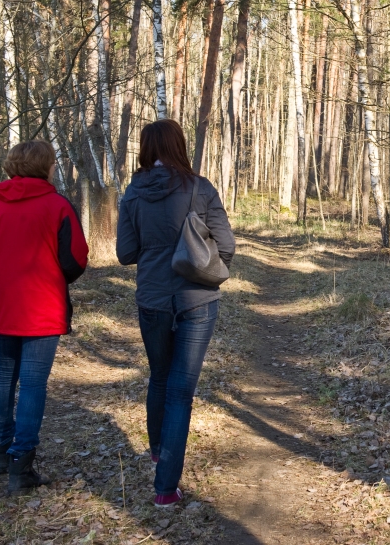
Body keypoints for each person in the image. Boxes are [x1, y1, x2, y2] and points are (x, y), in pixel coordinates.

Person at [116, 119, 235, 508]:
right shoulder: (200, 188)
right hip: (197, 299)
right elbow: (228, 245)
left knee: (160, 378)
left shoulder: (132, 193)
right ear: (179, 145)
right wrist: (202, 263)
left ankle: (157, 451)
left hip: (151, 298)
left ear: (146, 148)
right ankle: (165, 488)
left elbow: (125, 254)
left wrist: (155, 246)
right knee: (181, 392)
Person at [0, 140, 88, 495]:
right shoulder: (59, 206)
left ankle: (2, 451)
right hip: (42, 309)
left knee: (2, 376)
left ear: (11, 166)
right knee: (32, 384)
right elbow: (75, 260)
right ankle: (21, 463)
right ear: (46, 167)